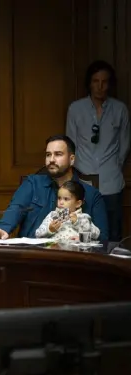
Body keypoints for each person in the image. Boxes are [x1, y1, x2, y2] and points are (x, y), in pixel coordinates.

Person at [0, 135, 108, 242]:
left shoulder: (91, 194)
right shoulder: (32, 184)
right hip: (31, 257)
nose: (51, 160)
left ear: (72, 160)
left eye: (58, 154)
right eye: (48, 154)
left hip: (74, 259)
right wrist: (2, 229)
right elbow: (15, 209)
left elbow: (103, 238)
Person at [66, 60, 130, 241]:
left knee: (113, 235)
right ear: (89, 83)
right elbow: (70, 143)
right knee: (82, 234)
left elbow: (124, 145)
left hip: (112, 182)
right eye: (96, 81)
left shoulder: (120, 109)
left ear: (110, 84)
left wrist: (113, 167)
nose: (100, 87)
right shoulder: (76, 109)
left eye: (104, 82)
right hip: (84, 181)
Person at [35, 180, 100, 241]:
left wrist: (78, 223)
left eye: (66, 199)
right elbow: (37, 234)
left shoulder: (83, 217)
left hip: (74, 251)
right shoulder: (52, 215)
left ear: (78, 203)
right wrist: (50, 230)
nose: (61, 202)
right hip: (54, 250)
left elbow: (96, 234)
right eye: (59, 198)